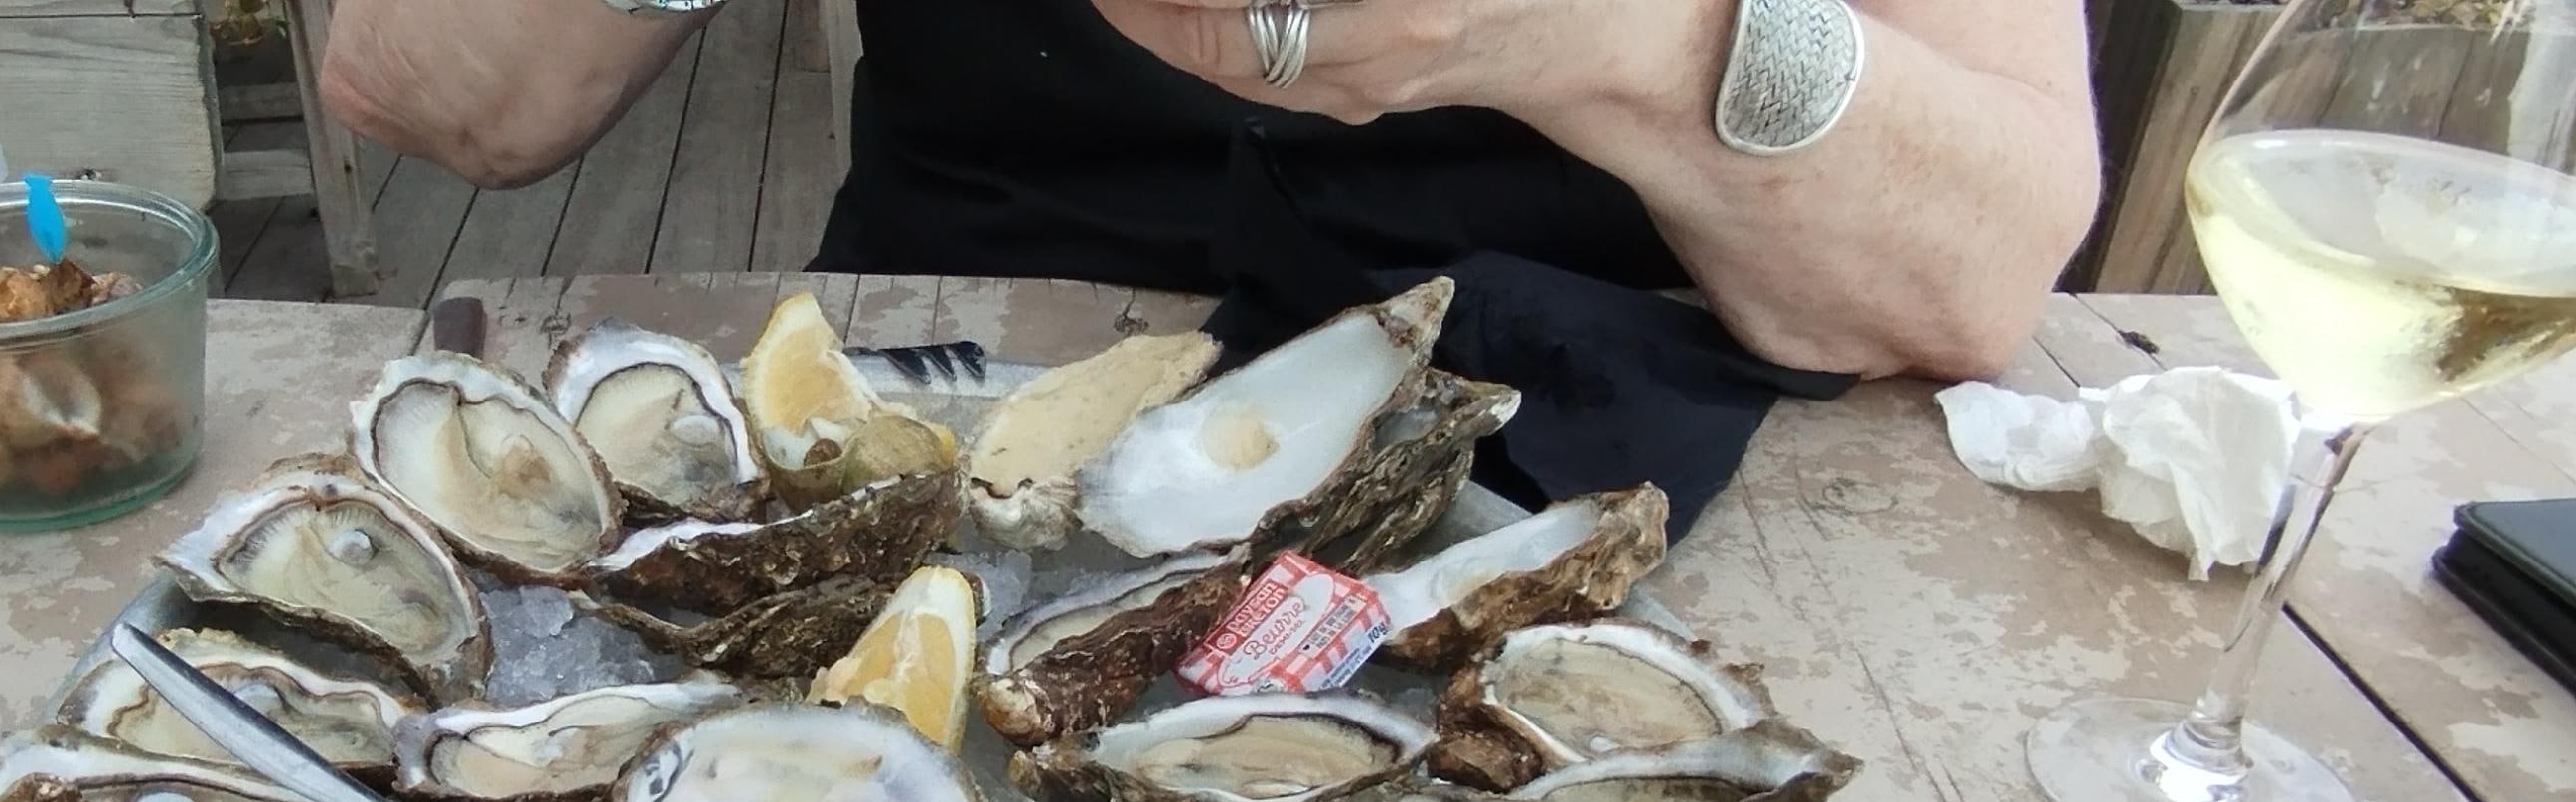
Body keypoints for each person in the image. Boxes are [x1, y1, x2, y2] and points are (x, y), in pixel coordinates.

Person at [319, 0, 2098, 381]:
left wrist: (1598, 36)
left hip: (1586, 470)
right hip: (940, 428)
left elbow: (1977, 269)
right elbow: (427, 93)